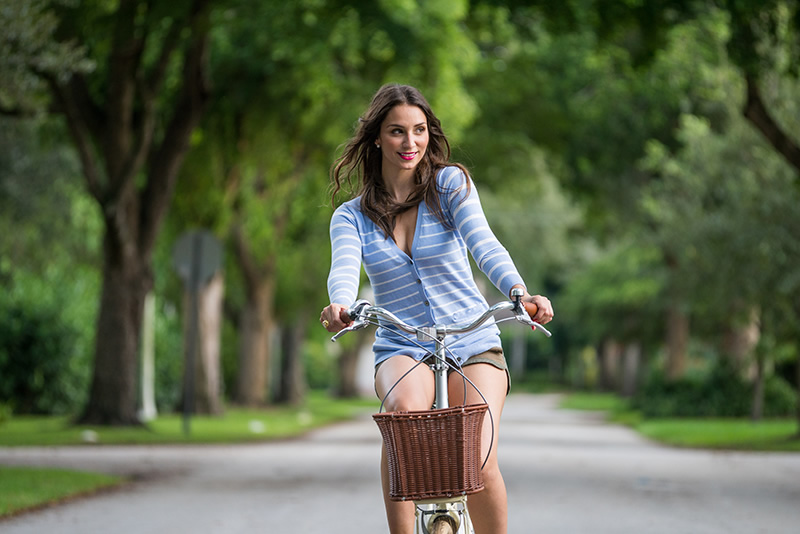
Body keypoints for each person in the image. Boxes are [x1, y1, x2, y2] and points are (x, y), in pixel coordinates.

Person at [319, 83, 554, 534]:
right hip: (402, 344)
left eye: (419, 130)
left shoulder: (449, 187)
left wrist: (519, 293)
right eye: (396, 132)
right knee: (401, 424)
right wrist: (341, 305)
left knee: (478, 462)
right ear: (376, 139)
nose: (411, 143)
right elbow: (344, 270)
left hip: (472, 340)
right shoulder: (351, 217)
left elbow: (484, 244)